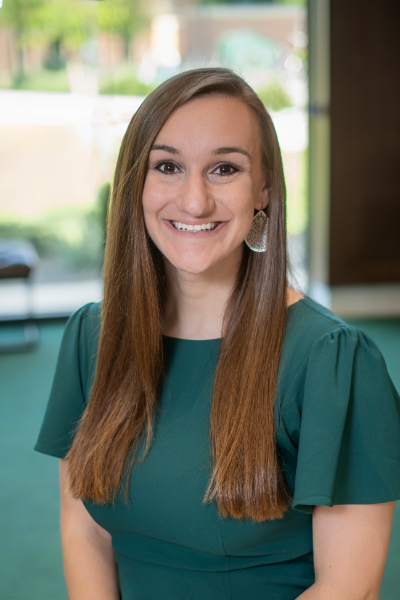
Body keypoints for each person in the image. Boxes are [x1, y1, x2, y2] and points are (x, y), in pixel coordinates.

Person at [35, 68, 400, 600]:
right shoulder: (93, 336)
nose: (195, 200)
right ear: (136, 183)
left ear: (263, 191)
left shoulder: (333, 361)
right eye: (168, 166)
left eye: (225, 168)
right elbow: (84, 527)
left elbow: (350, 587)